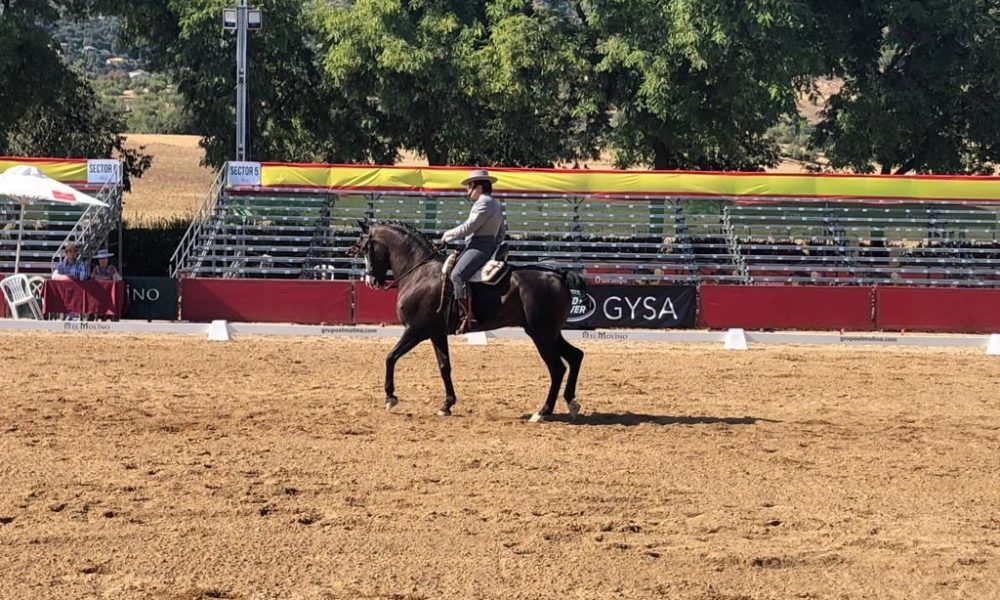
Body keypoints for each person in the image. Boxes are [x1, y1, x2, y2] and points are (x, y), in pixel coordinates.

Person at [439, 169, 506, 334]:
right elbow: (501, 231)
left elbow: (470, 226)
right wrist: (494, 244)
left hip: (479, 246)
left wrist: (448, 235)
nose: (467, 190)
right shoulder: (494, 203)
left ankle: (467, 317)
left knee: (457, 275)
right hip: (485, 244)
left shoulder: (484, 203)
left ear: (479, 187)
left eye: (470, 186)